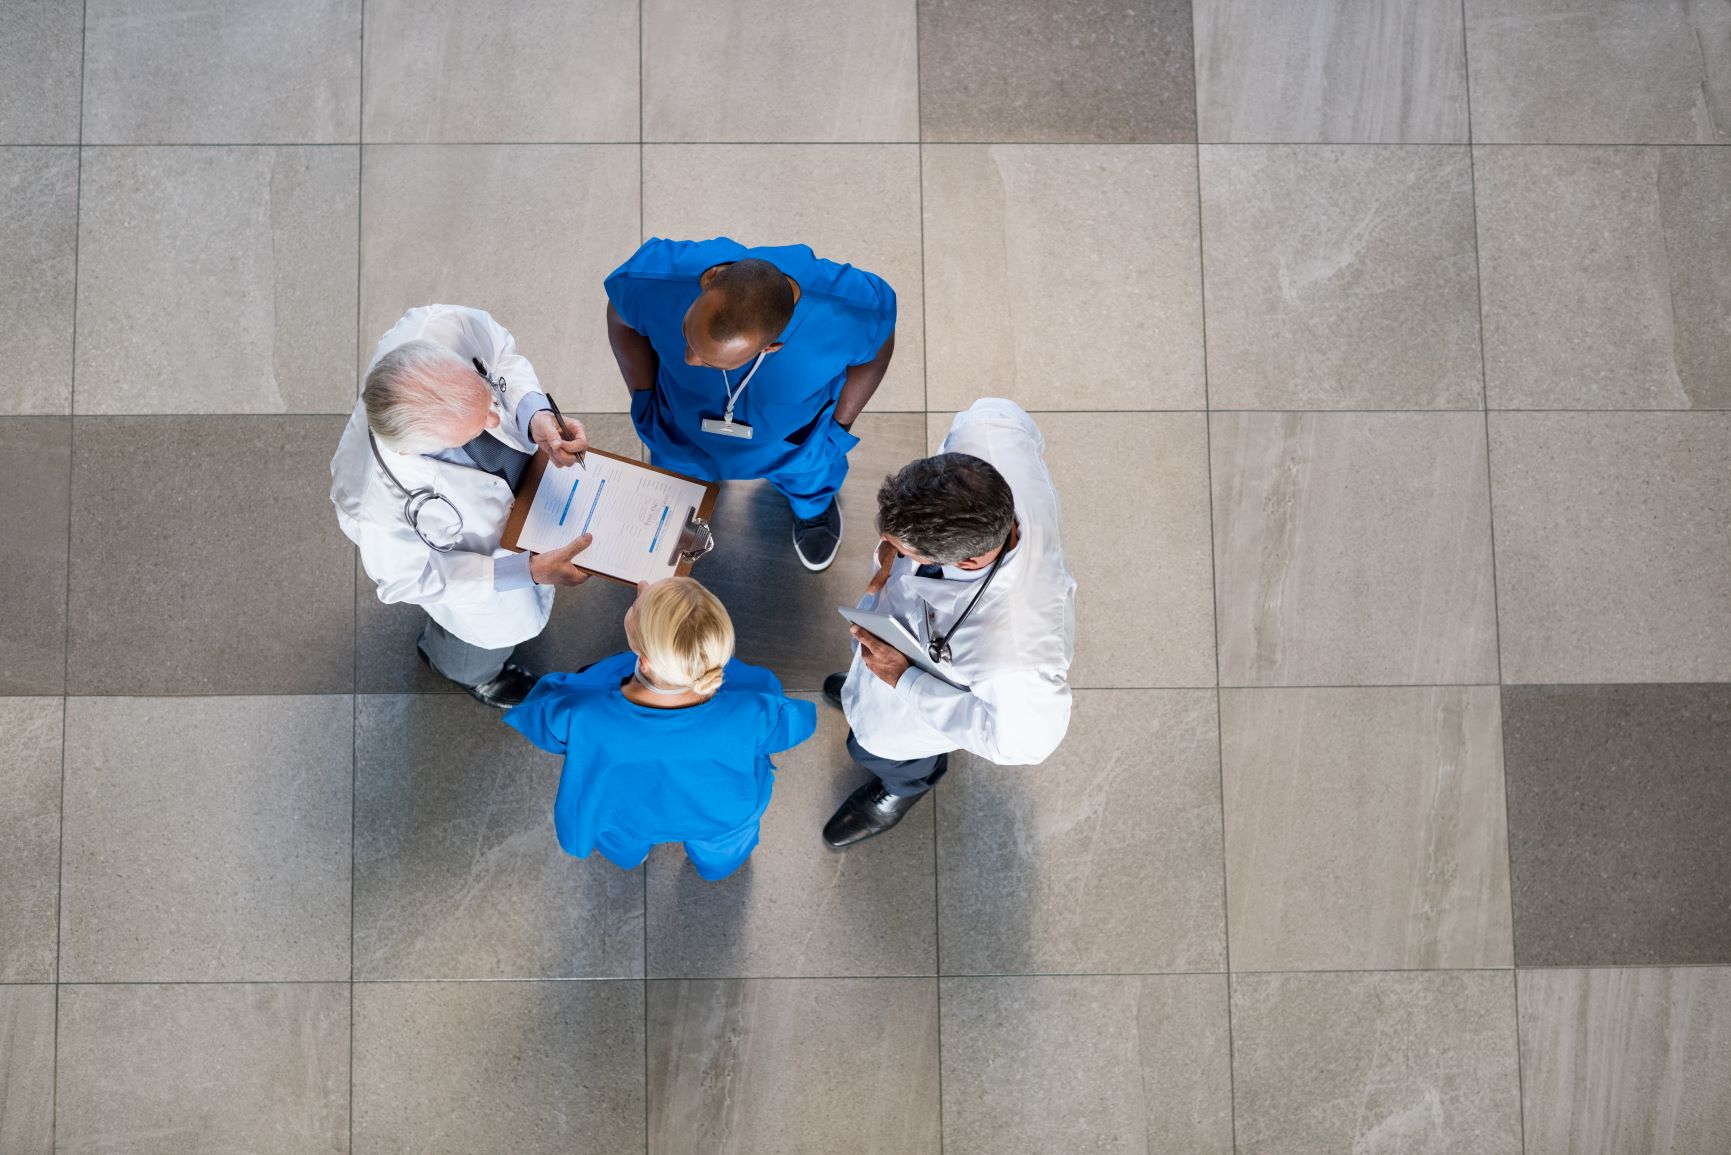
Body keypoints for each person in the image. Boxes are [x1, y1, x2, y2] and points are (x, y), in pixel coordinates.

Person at [822, 398, 1076, 848]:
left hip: (918, 702)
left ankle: (902, 788)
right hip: (901, 626)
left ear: (969, 559)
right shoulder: (988, 434)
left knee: (880, 748)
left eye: (906, 549)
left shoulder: (1016, 655)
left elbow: (1022, 744)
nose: (888, 548)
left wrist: (906, 681)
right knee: (862, 688)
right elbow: (1013, 418)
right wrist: (889, 562)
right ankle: (863, 689)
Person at [331, 304, 593, 708]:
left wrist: (534, 414)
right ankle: (465, 671)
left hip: (523, 501)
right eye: (476, 426)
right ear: (410, 451)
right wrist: (526, 570)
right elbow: (411, 580)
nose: (495, 420)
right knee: (477, 646)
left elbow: (500, 355)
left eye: (488, 402)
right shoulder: (370, 506)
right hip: (485, 579)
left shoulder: (435, 327)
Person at [603, 237, 897, 572]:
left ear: (771, 346)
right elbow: (619, 317)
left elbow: (878, 347)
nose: (688, 358)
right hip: (682, 425)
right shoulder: (651, 279)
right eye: (689, 334)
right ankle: (684, 503)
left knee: (810, 479)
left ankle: (812, 512)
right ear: (710, 278)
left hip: (794, 441)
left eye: (712, 361)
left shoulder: (853, 311)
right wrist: (642, 393)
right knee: (680, 476)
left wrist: (841, 425)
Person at [503, 577, 817, 881]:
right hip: (720, 812)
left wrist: (649, 604)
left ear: (644, 661)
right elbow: (795, 726)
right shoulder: (755, 699)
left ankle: (632, 858)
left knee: (621, 841)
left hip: (624, 810)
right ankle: (713, 870)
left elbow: (539, 719)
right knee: (722, 850)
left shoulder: (582, 706)